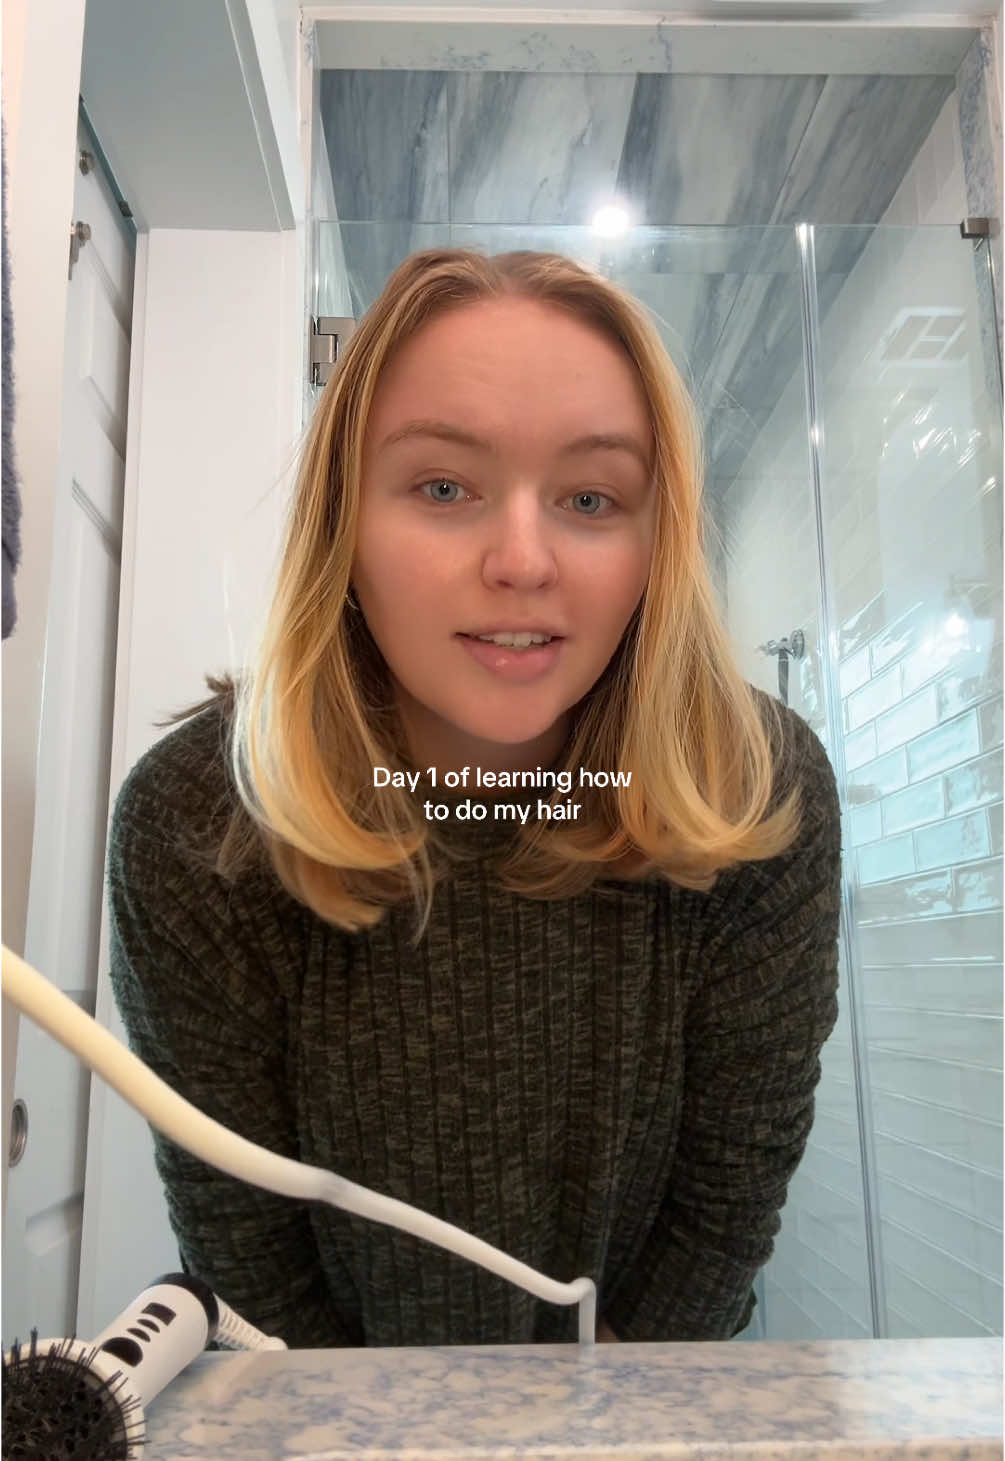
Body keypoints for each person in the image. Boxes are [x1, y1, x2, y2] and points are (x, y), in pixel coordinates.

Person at [107, 247, 843, 1349]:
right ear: (343, 524)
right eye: (443, 488)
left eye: (590, 498)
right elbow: (249, 1257)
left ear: (656, 545)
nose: (522, 561)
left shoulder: (754, 788)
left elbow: (722, 1215)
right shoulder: (199, 819)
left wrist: (600, 1422)